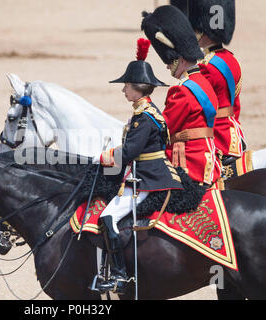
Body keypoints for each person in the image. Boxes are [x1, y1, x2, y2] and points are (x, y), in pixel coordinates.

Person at [92, 38, 184, 294]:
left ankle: (120, 276)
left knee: (107, 217)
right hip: (146, 174)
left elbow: (130, 152)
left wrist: (104, 157)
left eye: (126, 86)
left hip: (149, 178)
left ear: (138, 88)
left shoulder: (143, 118)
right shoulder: (146, 112)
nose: (123, 91)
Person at [141, 5, 221, 186]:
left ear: (182, 59)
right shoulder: (204, 82)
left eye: (171, 61)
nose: (168, 66)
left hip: (190, 164)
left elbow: (163, 129)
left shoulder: (182, 91)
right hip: (208, 159)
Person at [171, 0, 246, 161]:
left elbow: (197, 108)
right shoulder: (231, 59)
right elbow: (234, 104)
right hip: (233, 134)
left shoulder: (206, 67)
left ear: (202, 32)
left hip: (217, 137)